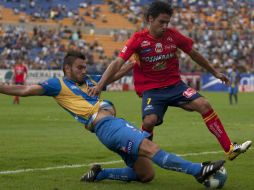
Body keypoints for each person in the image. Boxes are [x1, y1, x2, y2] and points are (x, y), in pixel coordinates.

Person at [0, 50, 225, 185]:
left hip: (108, 131)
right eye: (79, 67)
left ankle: (100, 174)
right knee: (149, 147)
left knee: (146, 175)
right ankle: (198, 171)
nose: (83, 70)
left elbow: (114, 74)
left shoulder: (89, 81)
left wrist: (134, 61)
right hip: (108, 125)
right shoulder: (56, 84)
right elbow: (24, 90)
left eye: (85, 66)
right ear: (67, 68)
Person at [87, 1, 252, 161]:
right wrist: (100, 85)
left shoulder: (173, 36)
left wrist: (215, 72)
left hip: (175, 87)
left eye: (167, 22)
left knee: (204, 104)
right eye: (161, 22)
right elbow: (117, 62)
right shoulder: (138, 40)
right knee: (149, 121)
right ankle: (145, 156)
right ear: (150, 19)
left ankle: (229, 149)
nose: (165, 26)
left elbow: (193, 54)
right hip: (152, 90)